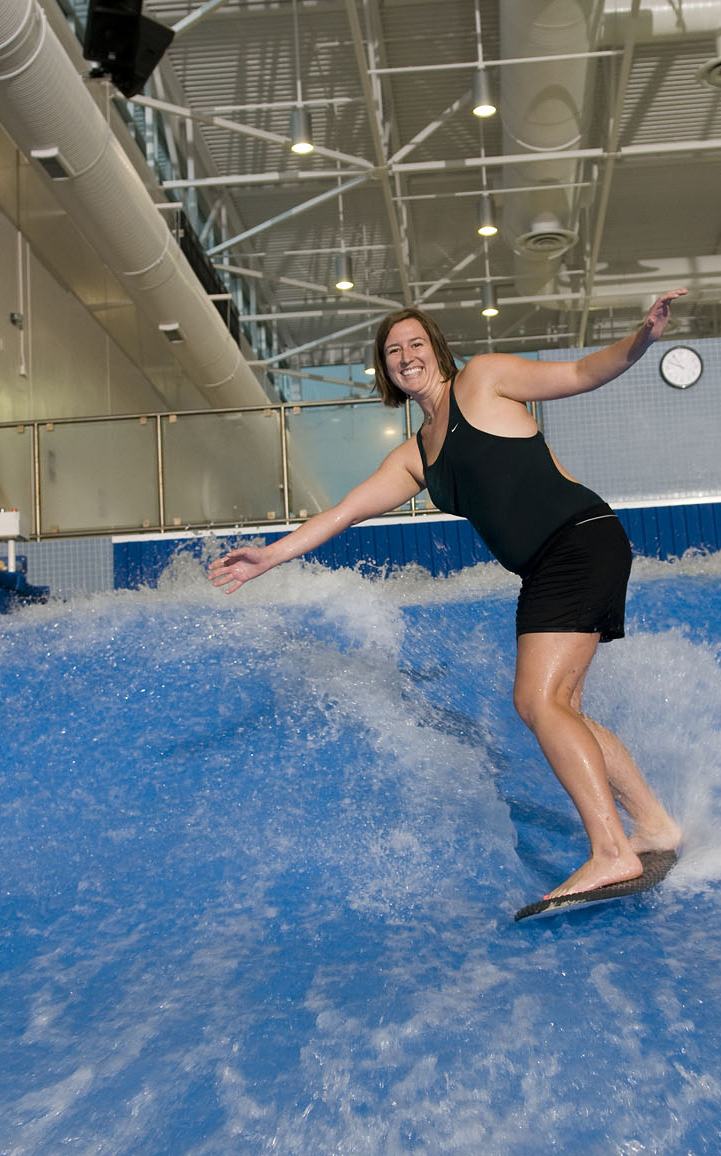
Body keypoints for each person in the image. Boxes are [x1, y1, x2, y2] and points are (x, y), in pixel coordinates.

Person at [209, 290, 687, 901]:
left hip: (578, 540)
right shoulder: (414, 458)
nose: (406, 356)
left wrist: (641, 338)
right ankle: (654, 825)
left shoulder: (484, 381)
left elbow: (578, 373)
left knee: (538, 702)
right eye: (391, 352)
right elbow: (344, 513)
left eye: (415, 343)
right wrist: (270, 556)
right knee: (560, 705)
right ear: (384, 371)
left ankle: (611, 852)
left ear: (437, 348)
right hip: (551, 562)